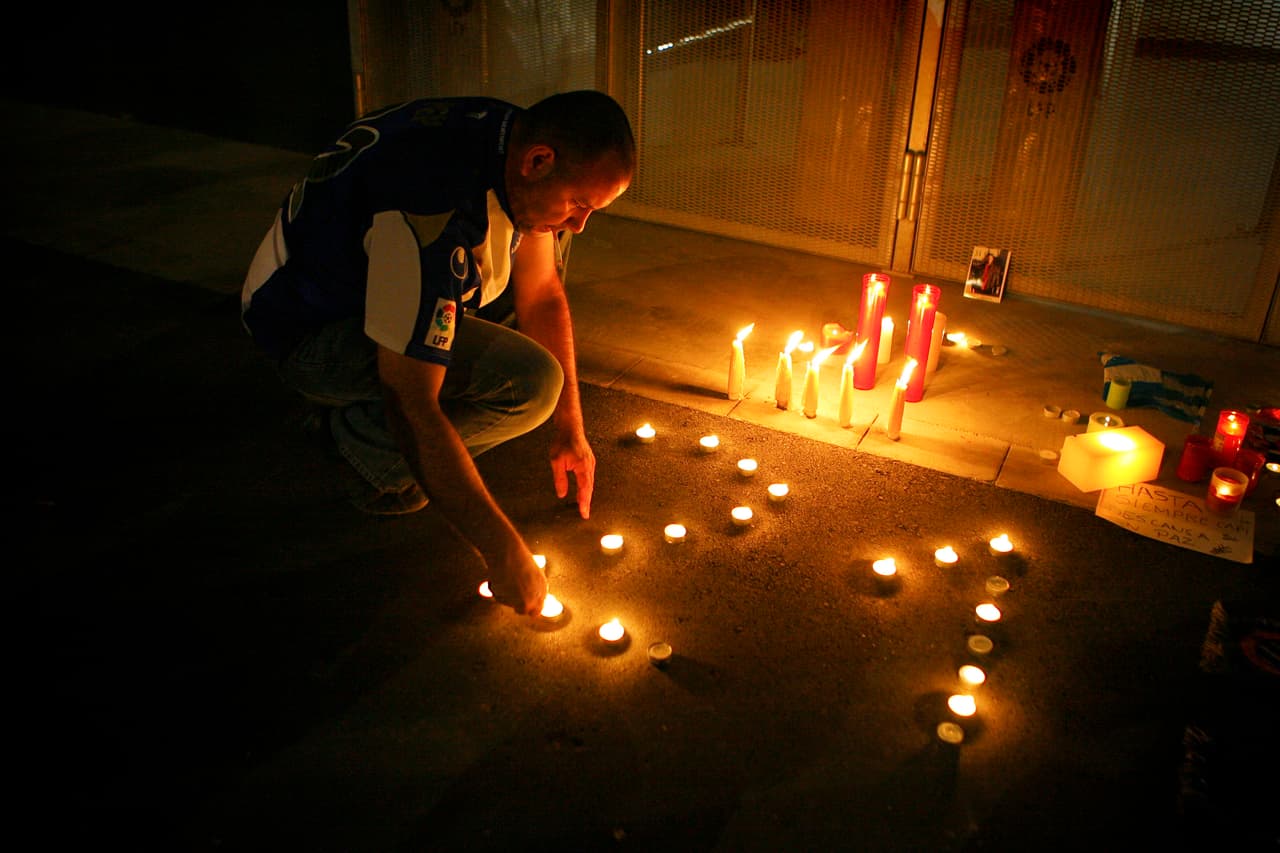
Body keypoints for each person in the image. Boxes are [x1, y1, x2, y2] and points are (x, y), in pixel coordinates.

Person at [240, 91, 635, 616]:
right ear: (539, 161)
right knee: (528, 383)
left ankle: (376, 420)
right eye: (579, 204)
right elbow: (411, 398)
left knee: (521, 338)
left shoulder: (511, 140)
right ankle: (358, 447)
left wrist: (571, 429)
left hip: (368, 285)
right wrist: (501, 551)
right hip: (307, 331)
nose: (579, 224)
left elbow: (540, 293)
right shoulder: (433, 212)